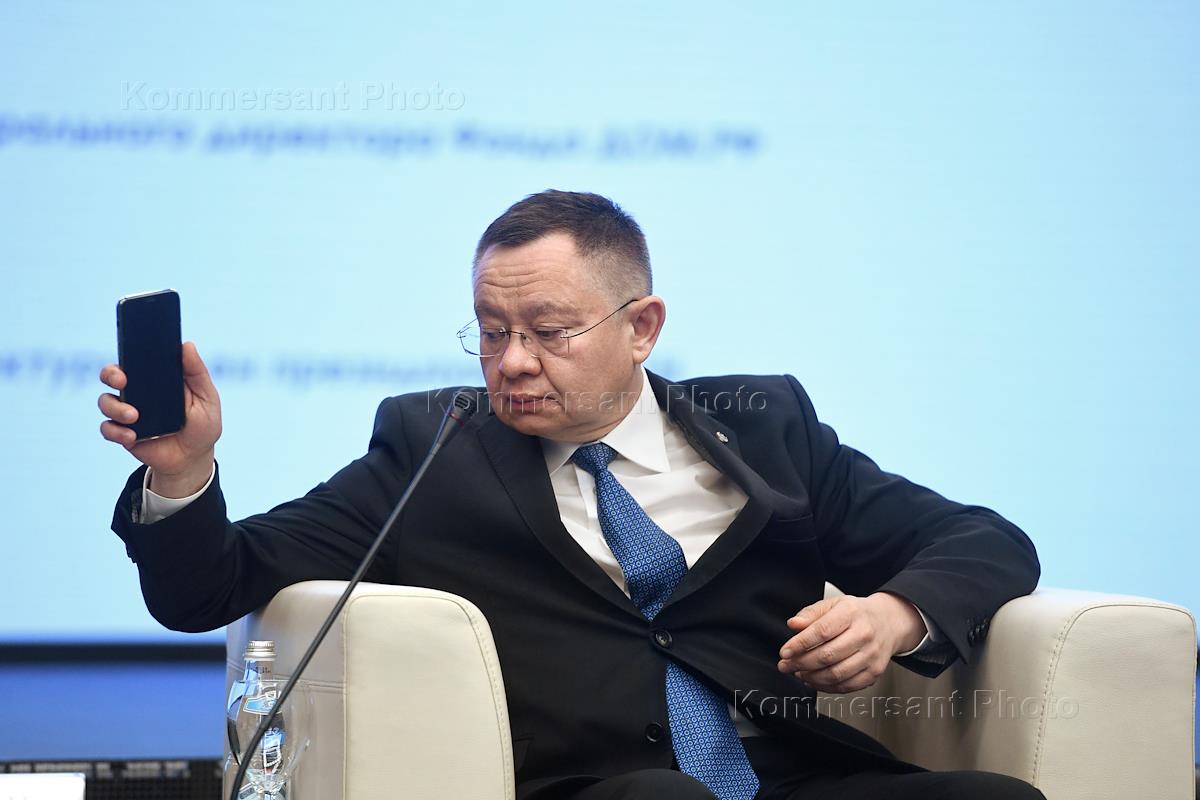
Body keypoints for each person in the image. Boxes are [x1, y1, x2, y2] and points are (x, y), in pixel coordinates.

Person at [98, 190, 1044, 800]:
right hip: (594, 791)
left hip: (786, 776)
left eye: (548, 331)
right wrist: (180, 472)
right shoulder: (433, 450)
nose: (513, 361)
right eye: (491, 330)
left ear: (643, 327)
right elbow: (212, 586)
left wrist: (893, 613)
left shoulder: (768, 429)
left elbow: (984, 541)